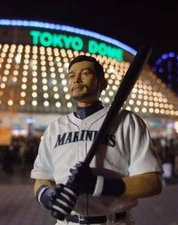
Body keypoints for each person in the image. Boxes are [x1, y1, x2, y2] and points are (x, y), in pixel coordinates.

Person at [31, 55, 163, 225]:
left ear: (103, 84)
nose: (76, 79)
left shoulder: (127, 121)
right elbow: (42, 177)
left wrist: (100, 185)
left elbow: (152, 183)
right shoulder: (55, 128)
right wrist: (46, 195)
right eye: (71, 75)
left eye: (85, 73)